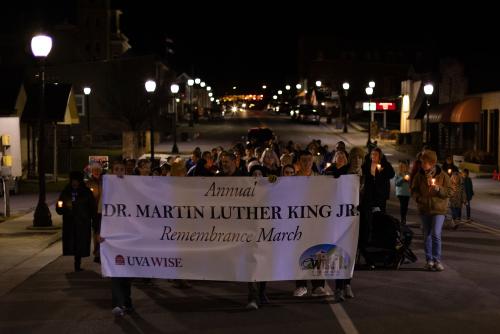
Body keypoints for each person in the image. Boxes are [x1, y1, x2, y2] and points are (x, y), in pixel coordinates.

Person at [99, 160, 134, 317]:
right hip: (112, 238)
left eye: (122, 169)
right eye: (116, 169)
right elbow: (100, 214)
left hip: (128, 237)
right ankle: (118, 304)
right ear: (112, 171)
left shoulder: (132, 187)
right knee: (115, 270)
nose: (119, 172)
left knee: (126, 271)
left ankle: (127, 301)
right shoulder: (107, 189)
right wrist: (99, 233)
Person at [293, 150, 328, 297]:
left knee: (317, 252)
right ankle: (301, 285)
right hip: (298, 222)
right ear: (299, 162)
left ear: (313, 161)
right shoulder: (292, 179)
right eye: (303, 160)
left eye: (309, 160)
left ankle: (318, 286)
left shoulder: (320, 179)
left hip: (316, 222)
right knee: (298, 252)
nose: (306, 163)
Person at [411, 150, 451, 272]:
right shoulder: (419, 175)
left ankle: (437, 260)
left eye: (426, 162)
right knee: (426, 235)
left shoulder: (443, 175)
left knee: (436, 233)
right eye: (422, 161)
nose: (423, 164)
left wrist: (439, 189)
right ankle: (429, 260)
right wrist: (418, 198)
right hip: (424, 209)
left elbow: (449, 192)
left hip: (439, 210)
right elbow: (414, 190)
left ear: (432, 163)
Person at [56, 171, 96, 272]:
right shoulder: (66, 192)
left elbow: (92, 208)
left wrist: (93, 220)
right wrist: (60, 207)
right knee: (73, 243)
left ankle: (77, 264)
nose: (74, 183)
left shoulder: (86, 192)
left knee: (80, 243)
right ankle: (76, 263)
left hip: (82, 222)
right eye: (73, 181)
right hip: (70, 222)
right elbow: (60, 207)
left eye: (76, 181)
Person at [86, 163, 103, 263]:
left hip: (104, 210)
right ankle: (97, 252)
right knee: (97, 231)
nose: (96, 171)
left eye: (98, 170)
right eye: (94, 170)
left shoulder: (104, 181)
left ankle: (101, 251)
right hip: (95, 211)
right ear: (92, 171)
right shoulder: (89, 183)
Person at [395, 160, 411, 225]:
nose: (403, 168)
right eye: (401, 166)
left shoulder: (408, 174)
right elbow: (396, 183)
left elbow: (411, 183)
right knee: (402, 205)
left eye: (404, 166)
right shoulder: (398, 174)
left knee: (405, 206)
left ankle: (404, 217)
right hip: (401, 193)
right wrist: (402, 179)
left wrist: (409, 181)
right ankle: (403, 218)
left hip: (407, 193)